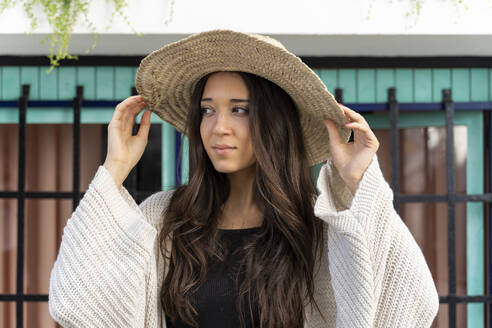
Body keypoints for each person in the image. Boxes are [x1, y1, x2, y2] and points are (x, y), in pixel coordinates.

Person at [48, 29, 439, 328]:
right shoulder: (165, 218)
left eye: (239, 110)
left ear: (275, 123)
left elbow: (410, 302)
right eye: (207, 110)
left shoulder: (319, 228)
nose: (218, 127)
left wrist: (357, 183)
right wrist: (114, 170)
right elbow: (75, 301)